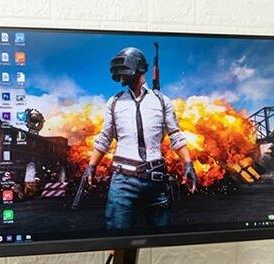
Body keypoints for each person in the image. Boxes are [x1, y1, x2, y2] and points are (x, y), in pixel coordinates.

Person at [83, 47, 197, 230]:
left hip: (156, 182)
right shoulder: (114, 102)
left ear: (139, 67)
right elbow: (105, 137)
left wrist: (188, 164)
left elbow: (175, 135)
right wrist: (91, 167)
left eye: (124, 69)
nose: (121, 76)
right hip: (123, 182)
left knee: (160, 240)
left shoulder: (162, 101)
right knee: (118, 238)